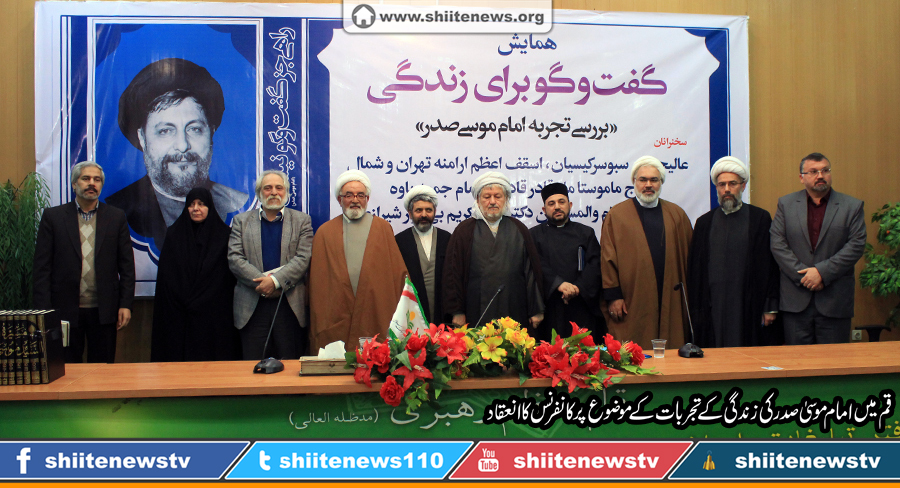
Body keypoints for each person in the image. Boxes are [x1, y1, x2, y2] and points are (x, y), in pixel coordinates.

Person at [106, 57, 249, 251]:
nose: (182, 146)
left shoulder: (238, 205)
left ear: (211, 133)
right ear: (142, 138)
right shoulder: (117, 210)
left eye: (194, 129)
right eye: (165, 131)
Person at [33, 161, 135, 363]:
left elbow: (127, 267)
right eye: (85, 178)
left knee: (102, 368)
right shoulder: (53, 217)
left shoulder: (115, 217)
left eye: (97, 180)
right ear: (74, 184)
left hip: (104, 310)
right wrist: (44, 312)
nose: (92, 184)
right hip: (64, 310)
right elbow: (41, 269)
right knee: (67, 369)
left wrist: (125, 304)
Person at [770, 152, 866, 344]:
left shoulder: (852, 206)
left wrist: (821, 273)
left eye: (825, 170)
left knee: (834, 360)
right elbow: (777, 244)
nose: (820, 175)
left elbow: (856, 245)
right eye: (813, 171)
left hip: (834, 300)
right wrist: (805, 277)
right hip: (796, 301)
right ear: (801, 177)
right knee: (797, 360)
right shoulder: (786, 204)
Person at [600, 156, 692, 349]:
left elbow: (689, 257)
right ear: (634, 182)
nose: (648, 185)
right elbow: (607, 258)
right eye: (643, 180)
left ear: (661, 183)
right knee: (634, 347)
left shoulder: (677, 215)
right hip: (633, 296)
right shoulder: (617, 215)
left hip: (670, 295)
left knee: (671, 344)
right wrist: (614, 296)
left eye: (654, 180)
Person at [687, 157, 780, 348]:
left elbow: (770, 266)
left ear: (743, 186)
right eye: (722, 185)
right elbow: (695, 273)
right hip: (713, 305)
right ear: (717, 188)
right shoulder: (704, 223)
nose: (727, 189)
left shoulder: (759, 219)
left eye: (732, 184)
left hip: (749, 304)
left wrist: (770, 307)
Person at [309, 170, 408, 350]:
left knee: (376, 357)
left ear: (367, 199)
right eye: (349, 195)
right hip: (337, 314)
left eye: (360, 195)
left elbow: (397, 276)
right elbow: (318, 284)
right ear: (339, 199)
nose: (355, 200)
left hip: (374, 311)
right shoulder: (325, 232)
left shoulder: (383, 228)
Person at [228, 170, 313, 360]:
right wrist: (263, 283)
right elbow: (235, 258)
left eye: (279, 187)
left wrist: (274, 282)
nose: (274, 192)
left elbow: (303, 258)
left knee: (290, 364)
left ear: (286, 192)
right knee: (252, 364)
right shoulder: (241, 222)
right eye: (268, 188)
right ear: (259, 193)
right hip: (252, 304)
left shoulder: (302, 221)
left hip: (288, 304)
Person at [443, 171, 544, 330]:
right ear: (478, 200)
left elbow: (532, 272)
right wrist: (457, 311)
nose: (492, 202)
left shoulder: (519, 229)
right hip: (475, 309)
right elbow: (452, 274)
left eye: (497, 196)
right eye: (486, 197)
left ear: (506, 199)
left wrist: (536, 309)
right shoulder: (464, 231)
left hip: (514, 306)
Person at [151, 187, 241, 361]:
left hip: (213, 315)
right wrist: (185, 299)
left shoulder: (224, 236)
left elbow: (224, 278)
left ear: (210, 207)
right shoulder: (174, 234)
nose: (196, 209)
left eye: (201, 204)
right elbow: (167, 277)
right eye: (191, 204)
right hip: (180, 313)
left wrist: (202, 300)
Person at [529, 182, 605, 342]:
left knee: (583, 352)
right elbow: (536, 265)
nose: (557, 207)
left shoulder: (586, 233)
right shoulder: (533, 235)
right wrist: (558, 284)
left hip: (581, 305)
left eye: (561, 202)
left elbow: (595, 265)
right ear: (544, 210)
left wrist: (577, 288)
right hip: (550, 308)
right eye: (551, 203)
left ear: (569, 205)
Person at [394, 185, 452, 324]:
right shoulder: (400, 241)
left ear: (435, 212)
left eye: (428, 210)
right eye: (418, 210)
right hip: (410, 312)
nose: (424, 215)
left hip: (442, 310)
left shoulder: (447, 239)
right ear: (410, 213)